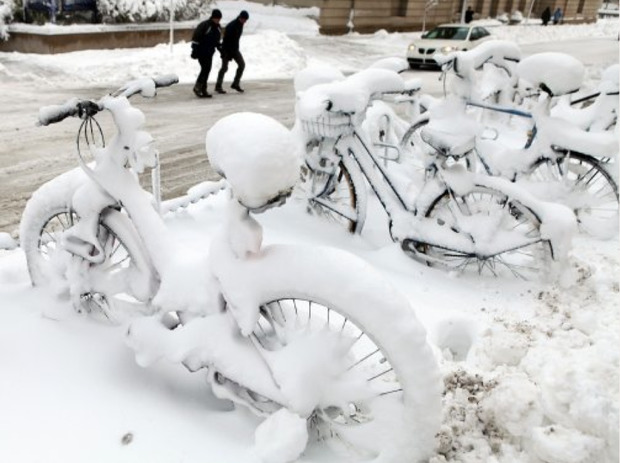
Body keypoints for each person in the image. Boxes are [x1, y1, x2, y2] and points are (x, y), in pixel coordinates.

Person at [215, 10, 249, 94]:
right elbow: (227, 40)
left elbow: (236, 39)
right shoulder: (232, 25)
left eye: (246, 20)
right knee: (224, 68)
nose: (245, 22)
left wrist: (235, 50)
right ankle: (218, 86)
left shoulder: (240, 25)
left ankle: (235, 83)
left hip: (234, 49)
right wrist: (227, 53)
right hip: (226, 49)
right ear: (240, 17)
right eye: (244, 19)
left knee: (242, 65)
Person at [191, 9, 222, 98]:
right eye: (216, 18)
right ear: (212, 17)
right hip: (201, 51)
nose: (217, 20)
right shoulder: (205, 25)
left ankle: (203, 89)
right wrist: (194, 50)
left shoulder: (218, 28)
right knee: (205, 69)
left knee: (207, 70)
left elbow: (217, 41)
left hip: (209, 52)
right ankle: (197, 87)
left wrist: (221, 50)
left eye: (219, 18)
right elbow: (196, 37)